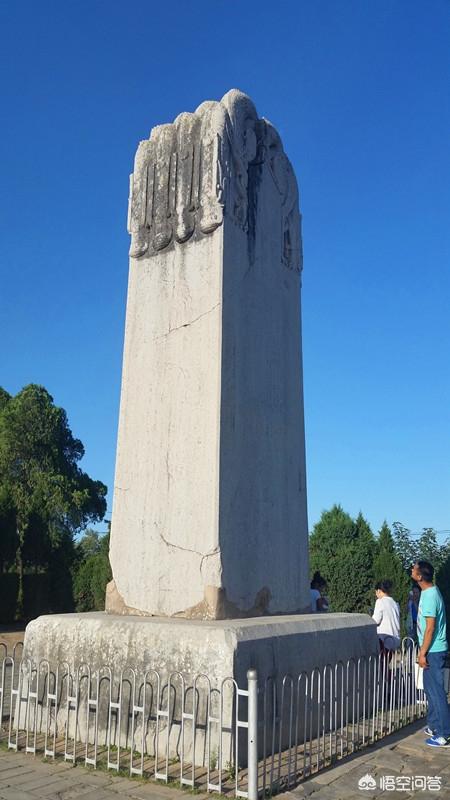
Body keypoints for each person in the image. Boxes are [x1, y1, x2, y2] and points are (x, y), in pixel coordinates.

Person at [411, 560, 450, 748]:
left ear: (420, 576)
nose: (411, 570)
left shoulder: (429, 596)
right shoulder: (429, 592)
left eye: (414, 568)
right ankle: (435, 725)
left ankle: (444, 734)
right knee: (430, 690)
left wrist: (422, 653)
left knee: (437, 693)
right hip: (432, 650)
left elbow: (430, 628)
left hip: (433, 651)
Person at [372, 580, 401, 654]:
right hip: (395, 638)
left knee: (381, 663)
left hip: (384, 639)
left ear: (378, 591)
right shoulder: (394, 603)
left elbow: (376, 620)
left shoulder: (380, 601)